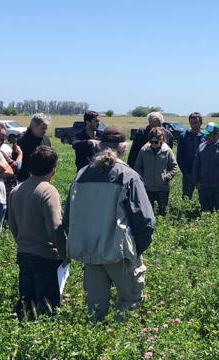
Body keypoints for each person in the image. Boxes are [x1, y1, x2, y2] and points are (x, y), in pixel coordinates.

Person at [66, 127, 156, 321]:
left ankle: (95, 347)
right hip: (120, 254)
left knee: (95, 308)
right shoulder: (128, 176)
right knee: (130, 300)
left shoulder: (81, 175)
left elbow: (68, 219)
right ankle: (121, 345)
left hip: (90, 252)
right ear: (123, 148)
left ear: (99, 146)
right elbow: (145, 221)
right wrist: (137, 249)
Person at [8, 146, 67, 318]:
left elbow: (13, 225)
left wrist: (22, 243)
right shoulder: (48, 191)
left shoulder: (16, 190)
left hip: (24, 252)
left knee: (27, 304)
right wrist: (63, 253)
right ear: (53, 169)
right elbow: (55, 226)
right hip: (46, 256)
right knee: (46, 308)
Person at [135, 126, 179, 215]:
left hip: (162, 187)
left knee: (163, 211)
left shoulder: (167, 151)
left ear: (161, 140)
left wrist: (168, 176)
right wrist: (142, 179)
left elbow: (174, 166)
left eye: (156, 142)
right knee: (147, 212)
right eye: (151, 142)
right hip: (147, 187)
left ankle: (161, 227)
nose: (153, 144)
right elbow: (138, 167)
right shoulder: (143, 150)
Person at [16, 113, 53, 182]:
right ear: (33, 127)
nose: (45, 131)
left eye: (46, 128)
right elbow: (18, 162)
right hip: (25, 181)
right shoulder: (22, 141)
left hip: (44, 179)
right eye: (42, 128)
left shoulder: (46, 139)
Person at [176, 112, 205, 200]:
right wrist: (185, 172)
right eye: (192, 123)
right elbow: (180, 156)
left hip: (203, 173)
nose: (194, 125)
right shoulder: (184, 136)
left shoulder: (206, 136)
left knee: (204, 197)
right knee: (186, 197)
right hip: (188, 172)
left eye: (196, 123)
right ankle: (184, 213)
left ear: (201, 123)